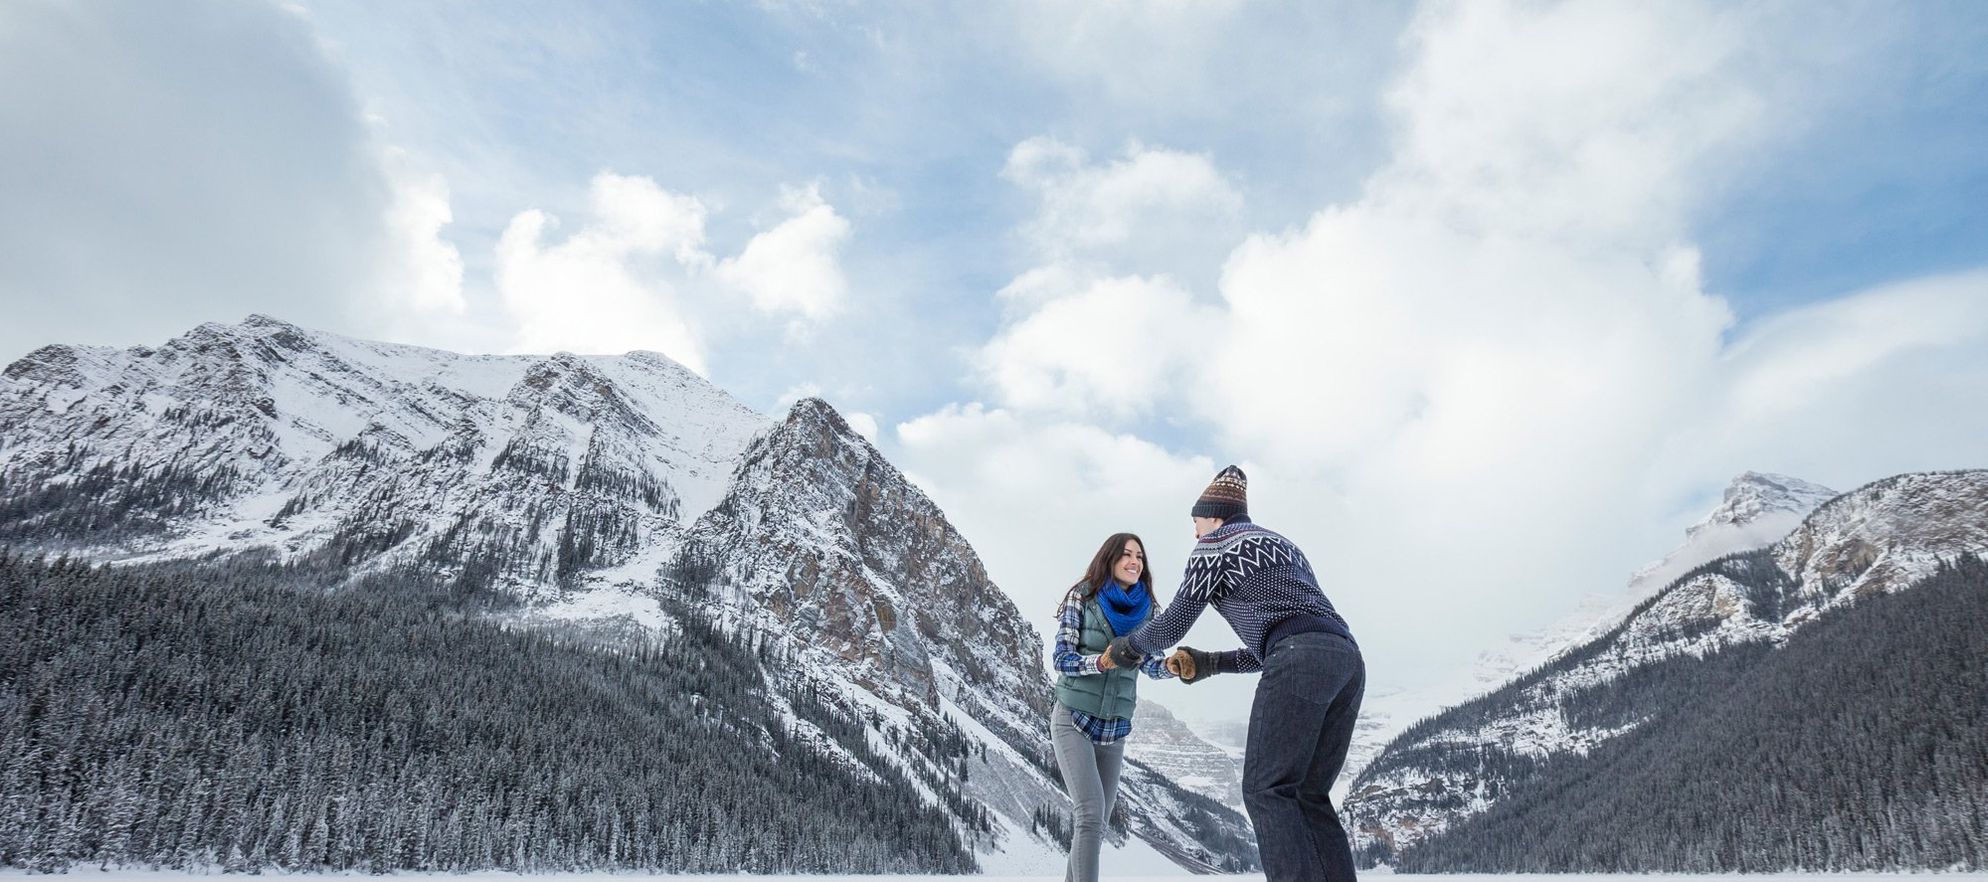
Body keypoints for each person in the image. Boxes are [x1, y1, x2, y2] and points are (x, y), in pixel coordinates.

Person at [1107, 466, 1364, 882]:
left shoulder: (1215, 545)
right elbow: (1286, 640)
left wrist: (1129, 647)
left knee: (1267, 790)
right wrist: (1210, 663)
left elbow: (1174, 624)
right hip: (1347, 661)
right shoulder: (1286, 546)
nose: (1194, 533)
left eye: (1195, 522)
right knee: (1309, 795)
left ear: (1214, 516)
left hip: (1299, 656)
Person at [1049, 532, 1174, 882]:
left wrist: (1175, 666)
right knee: (1089, 814)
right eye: (1126, 555)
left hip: (1115, 726)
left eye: (1140, 556)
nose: (1135, 561)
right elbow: (1062, 658)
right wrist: (1100, 663)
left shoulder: (1150, 611)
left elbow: (1149, 664)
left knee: (1098, 823)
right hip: (1073, 717)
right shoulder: (1083, 597)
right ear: (1110, 559)